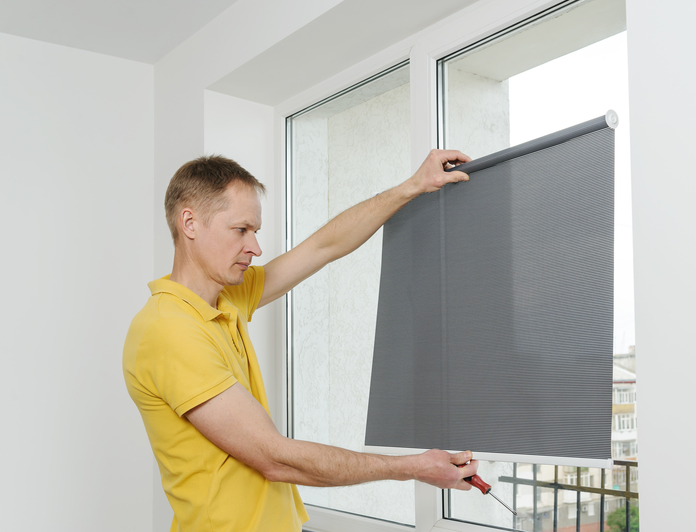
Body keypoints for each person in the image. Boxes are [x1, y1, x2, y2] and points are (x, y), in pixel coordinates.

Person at [123, 150, 478, 532]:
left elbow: (323, 247)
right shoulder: (169, 330)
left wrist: (413, 187)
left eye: (255, 231)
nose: (255, 247)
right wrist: (410, 468)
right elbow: (276, 459)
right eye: (241, 230)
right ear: (190, 223)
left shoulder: (228, 299)